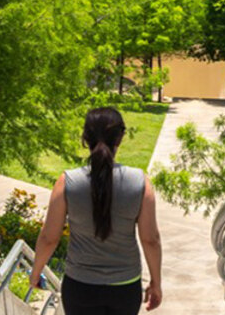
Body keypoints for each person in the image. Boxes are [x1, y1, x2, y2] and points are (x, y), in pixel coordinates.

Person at [30, 107, 163, 314]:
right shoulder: (140, 182)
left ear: (85, 138)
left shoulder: (67, 182)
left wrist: (36, 272)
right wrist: (156, 282)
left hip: (80, 286)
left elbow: (49, 237)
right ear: (120, 138)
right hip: (125, 287)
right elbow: (150, 239)